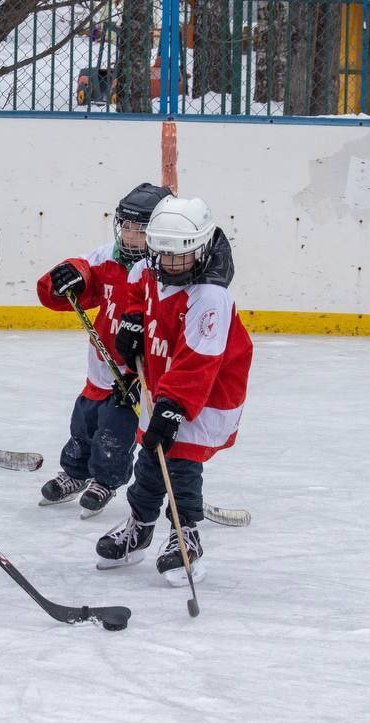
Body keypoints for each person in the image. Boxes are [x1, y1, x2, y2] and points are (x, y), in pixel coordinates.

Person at [95, 196, 253, 585]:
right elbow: (136, 293)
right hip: (163, 380)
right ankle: (140, 524)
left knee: (179, 460)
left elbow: (199, 361)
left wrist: (174, 405)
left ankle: (187, 535)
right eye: (162, 254)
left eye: (179, 257)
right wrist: (132, 322)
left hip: (208, 391)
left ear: (200, 250)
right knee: (150, 455)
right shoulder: (150, 270)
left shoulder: (211, 295)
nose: (169, 264)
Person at [34, 183, 173, 518]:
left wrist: (152, 377)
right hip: (100, 365)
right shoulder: (108, 256)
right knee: (83, 421)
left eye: (139, 230)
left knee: (115, 429)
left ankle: (106, 480)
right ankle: (75, 472)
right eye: (125, 226)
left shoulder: (164, 272)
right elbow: (80, 277)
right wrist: (68, 276)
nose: (129, 235)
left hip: (134, 375)